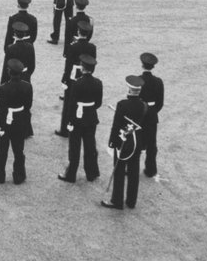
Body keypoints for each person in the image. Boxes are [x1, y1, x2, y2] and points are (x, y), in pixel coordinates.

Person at [102, 75, 147, 210]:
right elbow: (146, 127)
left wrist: (112, 143)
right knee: (134, 171)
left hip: (123, 141)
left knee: (119, 170)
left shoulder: (122, 104)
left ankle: (117, 200)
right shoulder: (144, 106)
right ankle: (131, 201)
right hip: (137, 142)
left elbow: (116, 126)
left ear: (129, 90)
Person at [58, 54, 102, 184]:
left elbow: (72, 104)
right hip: (91, 118)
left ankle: (71, 174)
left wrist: (70, 121)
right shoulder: (98, 83)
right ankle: (91, 173)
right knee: (90, 146)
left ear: (82, 68)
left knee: (74, 148)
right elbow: (98, 103)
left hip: (77, 118)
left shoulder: (77, 83)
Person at [0, 59, 33, 185]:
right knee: (19, 150)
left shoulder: (3, 88)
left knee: (2, 150)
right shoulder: (27, 86)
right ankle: (19, 176)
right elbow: (28, 105)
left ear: (9, 72)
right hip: (20, 120)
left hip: (7, 122)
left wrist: (0, 127)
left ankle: (0, 175)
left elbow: (2, 109)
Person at [138, 52, 164, 178]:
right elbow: (160, 103)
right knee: (151, 144)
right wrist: (152, 112)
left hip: (138, 115)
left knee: (136, 141)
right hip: (152, 114)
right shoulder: (158, 82)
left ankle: (131, 167)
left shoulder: (138, 80)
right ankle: (151, 169)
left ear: (142, 65)